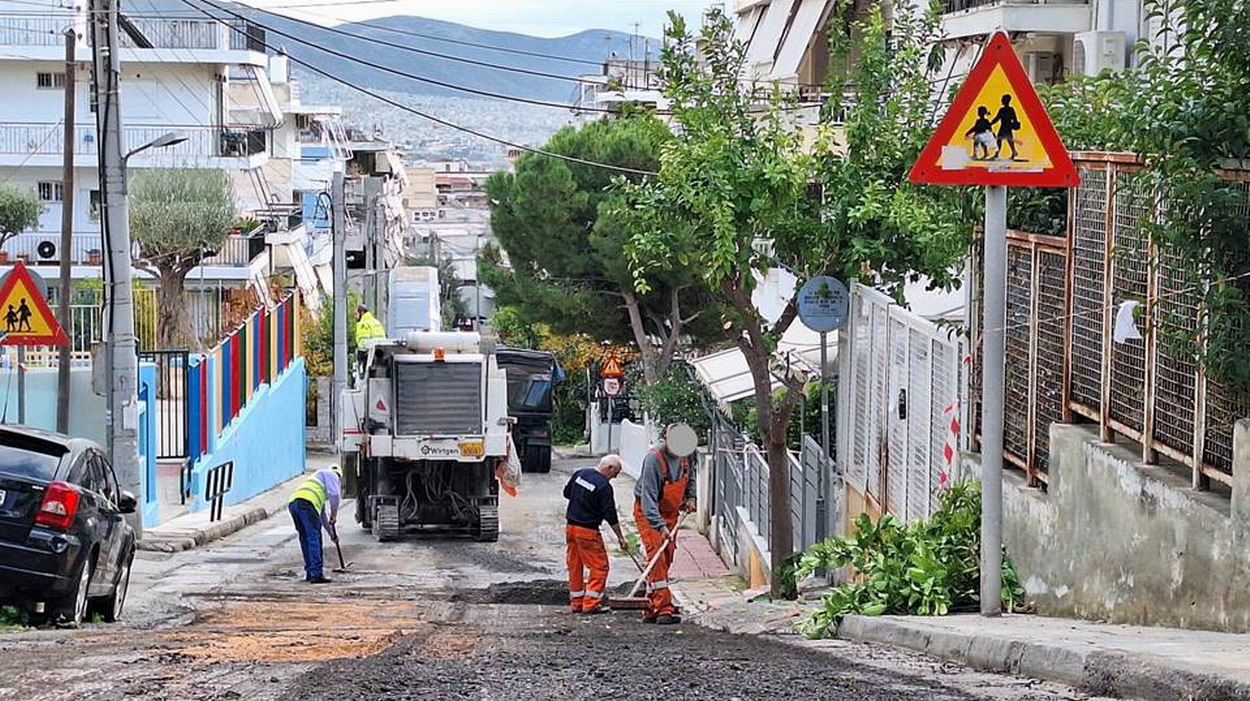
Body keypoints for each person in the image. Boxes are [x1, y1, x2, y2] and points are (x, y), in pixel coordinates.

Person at [633, 426, 698, 625]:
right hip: (649, 513)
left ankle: (652, 605)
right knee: (657, 557)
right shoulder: (654, 459)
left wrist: (691, 497)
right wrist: (660, 527)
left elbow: (690, 477)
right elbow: (648, 498)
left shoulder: (688, 454)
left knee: (667, 556)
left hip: (671, 513)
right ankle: (662, 608)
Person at [564, 454, 627, 614]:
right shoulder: (604, 486)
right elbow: (610, 514)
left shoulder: (581, 474)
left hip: (571, 528)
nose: (615, 477)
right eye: (615, 474)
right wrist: (620, 537)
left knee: (575, 565)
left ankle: (577, 603)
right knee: (600, 567)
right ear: (609, 468)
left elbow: (567, 493)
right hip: (588, 531)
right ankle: (591, 603)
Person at [288, 465, 342, 584]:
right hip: (306, 504)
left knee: (305, 538)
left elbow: (322, 518)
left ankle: (309, 572)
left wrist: (332, 535)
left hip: (293, 503)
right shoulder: (332, 474)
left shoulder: (316, 483)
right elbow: (335, 495)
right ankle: (316, 574)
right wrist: (334, 515)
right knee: (314, 537)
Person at [991, 93, 1021, 161]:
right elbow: (997, 118)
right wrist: (991, 123)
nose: (1001, 100)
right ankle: (999, 153)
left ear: (1006, 101)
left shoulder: (1006, 110)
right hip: (1005, 127)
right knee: (1002, 140)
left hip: (1006, 127)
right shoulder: (1005, 109)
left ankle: (1012, 152)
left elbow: (997, 118)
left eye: (1003, 99)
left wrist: (991, 123)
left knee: (1006, 140)